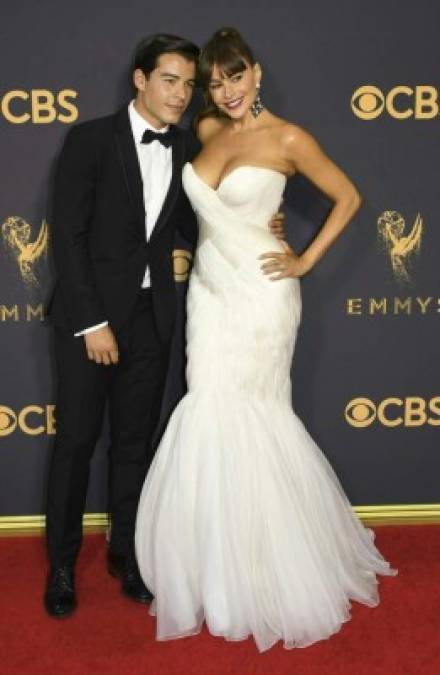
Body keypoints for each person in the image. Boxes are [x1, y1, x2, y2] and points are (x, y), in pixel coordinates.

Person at [135, 27, 396, 652]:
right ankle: (213, 571)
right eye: (215, 81)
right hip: (209, 292)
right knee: (208, 408)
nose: (225, 90)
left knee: (253, 414)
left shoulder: (289, 138)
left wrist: (303, 260)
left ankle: (266, 571)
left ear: (257, 73)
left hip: (261, 292)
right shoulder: (203, 131)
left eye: (235, 76)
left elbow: (349, 196)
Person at [44, 32, 284, 619]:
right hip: (91, 324)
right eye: (170, 81)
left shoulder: (186, 148)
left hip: (153, 321)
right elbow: (68, 239)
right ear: (140, 79)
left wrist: (258, 226)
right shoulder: (90, 139)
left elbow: (190, 224)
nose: (181, 96)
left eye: (188, 85)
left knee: (134, 447)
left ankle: (127, 556)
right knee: (77, 445)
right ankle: (61, 568)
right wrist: (93, 322)